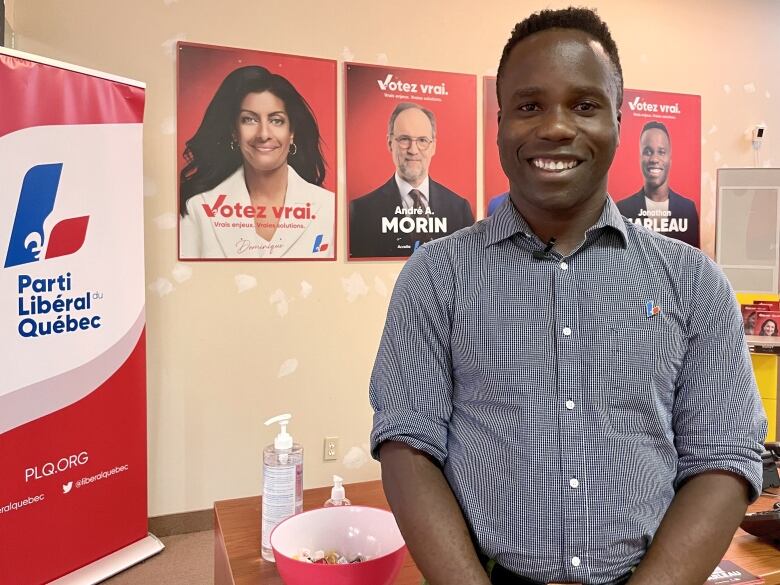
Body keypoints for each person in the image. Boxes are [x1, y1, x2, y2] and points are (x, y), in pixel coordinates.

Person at [370, 7, 765, 585]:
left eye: (584, 105)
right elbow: (407, 442)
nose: (555, 127)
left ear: (618, 121)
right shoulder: (437, 273)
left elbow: (724, 457)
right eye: (530, 105)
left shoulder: (693, 282)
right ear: (500, 121)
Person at [179, 66, 334, 259]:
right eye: (249, 120)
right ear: (234, 132)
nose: (263, 134)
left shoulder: (330, 208)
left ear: (291, 132)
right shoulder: (196, 208)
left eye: (276, 121)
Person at [349, 103, 474, 258]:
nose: (413, 150)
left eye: (422, 140)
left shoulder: (459, 209)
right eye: (404, 139)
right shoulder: (361, 212)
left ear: (433, 146)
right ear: (390, 143)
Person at [616, 121, 700, 248]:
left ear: (670, 159)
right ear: (640, 158)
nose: (654, 159)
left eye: (661, 152)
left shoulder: (687, 209)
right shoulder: (622, 210)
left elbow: (693, 260)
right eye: (648, 152)